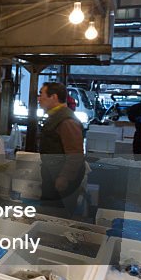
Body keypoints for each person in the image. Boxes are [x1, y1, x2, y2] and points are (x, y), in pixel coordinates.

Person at [37, 82, 85, 216]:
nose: (39, 98)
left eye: (41, 94)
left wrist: (64, 177)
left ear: (54, 97)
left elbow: (75, 154)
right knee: (48, 211)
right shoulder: (55, 116)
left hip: (61, 176)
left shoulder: (67, 121)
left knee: (57, 214)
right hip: (53, 172)